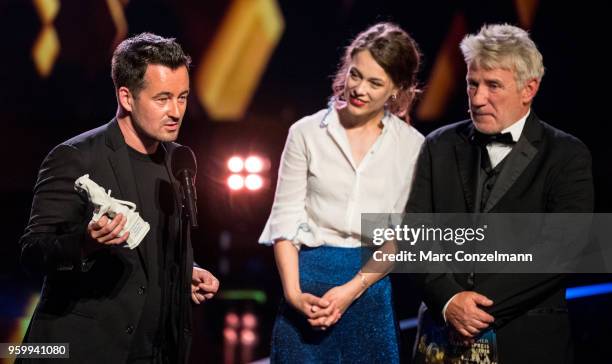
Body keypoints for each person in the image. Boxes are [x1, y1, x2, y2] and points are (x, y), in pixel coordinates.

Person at [18, 33, 219, 364]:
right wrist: (86, 243)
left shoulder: (180, 160)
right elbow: (33, 253)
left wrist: (187, 271)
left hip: (154, 352)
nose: (176, 111)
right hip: (83, 351)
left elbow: (156, 247)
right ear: (127, 97)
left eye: (182, 97)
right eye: (163, 98)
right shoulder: (75, 157)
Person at [406, 24, 594, 363]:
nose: (477, 98)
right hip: (439, 338)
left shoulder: (567, 155)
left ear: (529, 89)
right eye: (472, 84)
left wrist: (475, 308)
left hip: (526, 341)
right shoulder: (438, 145)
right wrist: (449, 301)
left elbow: (562, 250)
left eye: (493, 85)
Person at [259, 22, 424, 363]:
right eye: (355, 74)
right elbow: (285, 221)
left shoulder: (412, 146)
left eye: (375, 83)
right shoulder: (306, 133)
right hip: (307, 286)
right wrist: (294, 294)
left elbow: (401, 235)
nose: (359, 89)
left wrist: (351, 291)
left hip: (368, 291)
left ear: (397, 89)